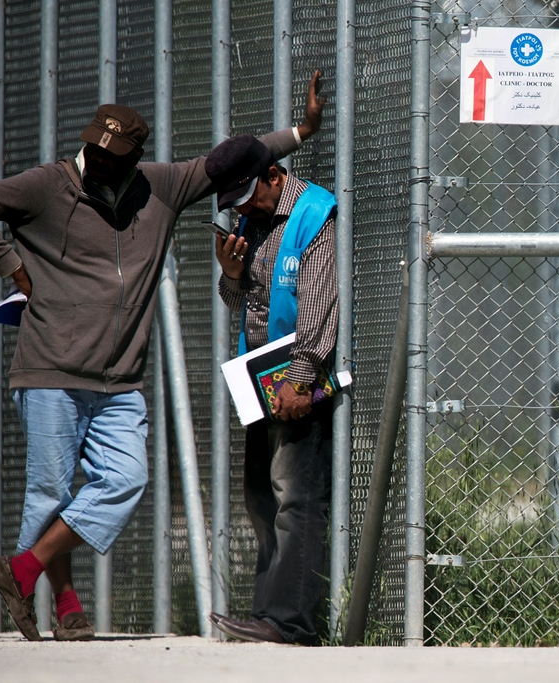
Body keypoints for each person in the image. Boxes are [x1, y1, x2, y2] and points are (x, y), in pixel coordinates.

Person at [0, 72, 325, 642]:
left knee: (125, 478)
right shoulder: (46, 186)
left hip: (121, 379)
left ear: (135, 157)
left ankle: (20, 570)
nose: (98, 163)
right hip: (50, 367)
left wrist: (301, 131)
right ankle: (64, 605)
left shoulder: (161, 187)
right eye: (94, 151)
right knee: (50, 492)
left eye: (112, 157)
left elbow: (234, 159)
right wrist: (10, 264)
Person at [205, 132, 338, 645]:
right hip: (259, 383)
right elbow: (239, 299)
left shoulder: (312, 213)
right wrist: (231, 276)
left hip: (296, 384)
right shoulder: (251, 218)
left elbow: (320, 300)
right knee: (260, 497)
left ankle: (290, 621)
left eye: (246, 198)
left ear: (272, 177)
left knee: (297, 499)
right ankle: (266, 613)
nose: (242, 211)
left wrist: (301, 378)